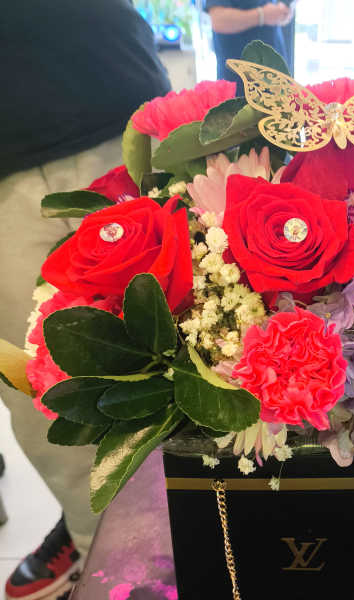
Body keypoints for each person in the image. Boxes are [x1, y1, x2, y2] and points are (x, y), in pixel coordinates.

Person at [0, 2, 171, 599]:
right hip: (19, 155)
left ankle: (151, 551)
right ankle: (105, 544)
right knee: (51, 395)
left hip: (115, 106)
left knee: (193, 360)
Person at [204, 0, 294, 84]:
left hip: (275, 77)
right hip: (240, 80)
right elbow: (219, 20)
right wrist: (262, 15)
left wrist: (282, 9)